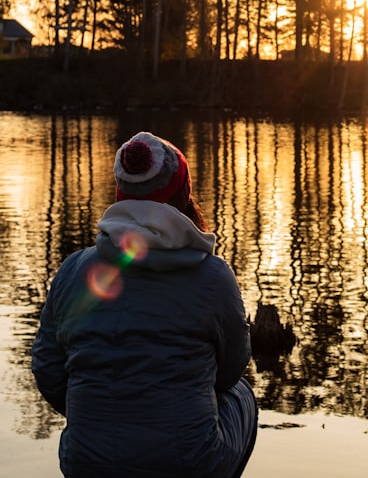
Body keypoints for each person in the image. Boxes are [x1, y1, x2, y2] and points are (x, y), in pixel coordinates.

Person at [32, 131, 258, 478]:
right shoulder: (213, 276)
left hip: (85, 462)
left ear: (121, 195)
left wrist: (102, 415)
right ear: (184, 196)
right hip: (186, 465)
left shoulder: (74, 270)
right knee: (242, 393)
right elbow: (231, 369)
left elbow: (48, 367)